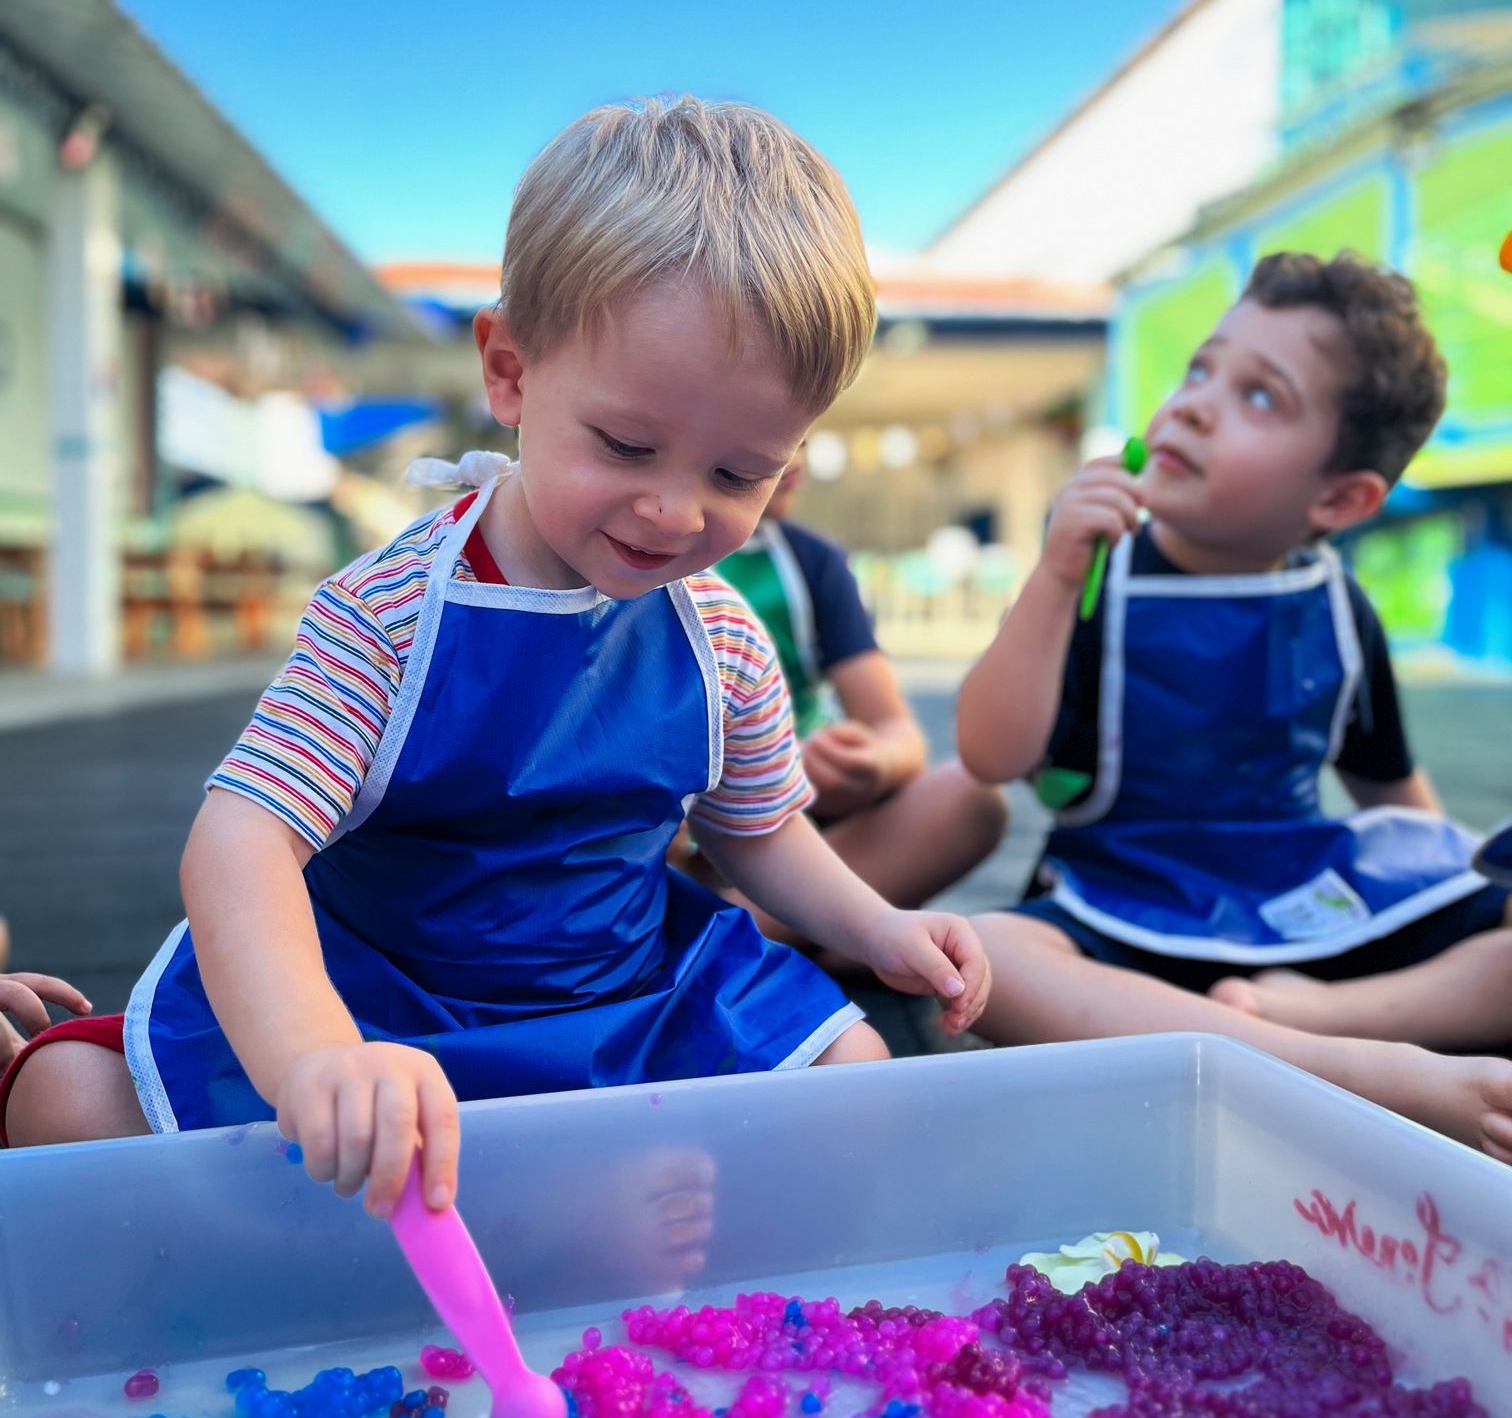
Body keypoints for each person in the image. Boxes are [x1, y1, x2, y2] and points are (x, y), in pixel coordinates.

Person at [2, 98, 988, 1217]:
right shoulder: (390, 616)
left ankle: (572, 1218)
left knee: (857, 1080)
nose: (673, 511)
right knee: (65, 1108)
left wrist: (880, 928)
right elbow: (241, 840)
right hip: (382, 1003)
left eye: (738, 475)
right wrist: (317, 1058)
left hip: (619, 997)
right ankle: (572, 1217)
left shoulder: (722, 637)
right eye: (626, 445)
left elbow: (757, 831)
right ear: (511, 372)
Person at [957, 251, 1512, 1162]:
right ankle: (1368, 1073)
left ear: (1340, 497)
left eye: (1261, 396)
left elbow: (1394, 795)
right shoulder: (1098, 576)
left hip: (1299, 906)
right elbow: (989, 753)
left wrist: (1459, 898)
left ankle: (1307, 1017)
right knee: (992, 956)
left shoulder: (1338, 606)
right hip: (1122, 897)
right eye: (1201, 369)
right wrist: (1055, 579)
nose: (1195, 402)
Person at [711, 454, 1007, 917]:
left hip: (800, 825)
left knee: (971, 802)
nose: (798, 457)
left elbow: (896, 730)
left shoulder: (810, 560)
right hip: (681, 829)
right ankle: (804, 930)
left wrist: (872, 763)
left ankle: (753, 930)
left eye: (806, 436)